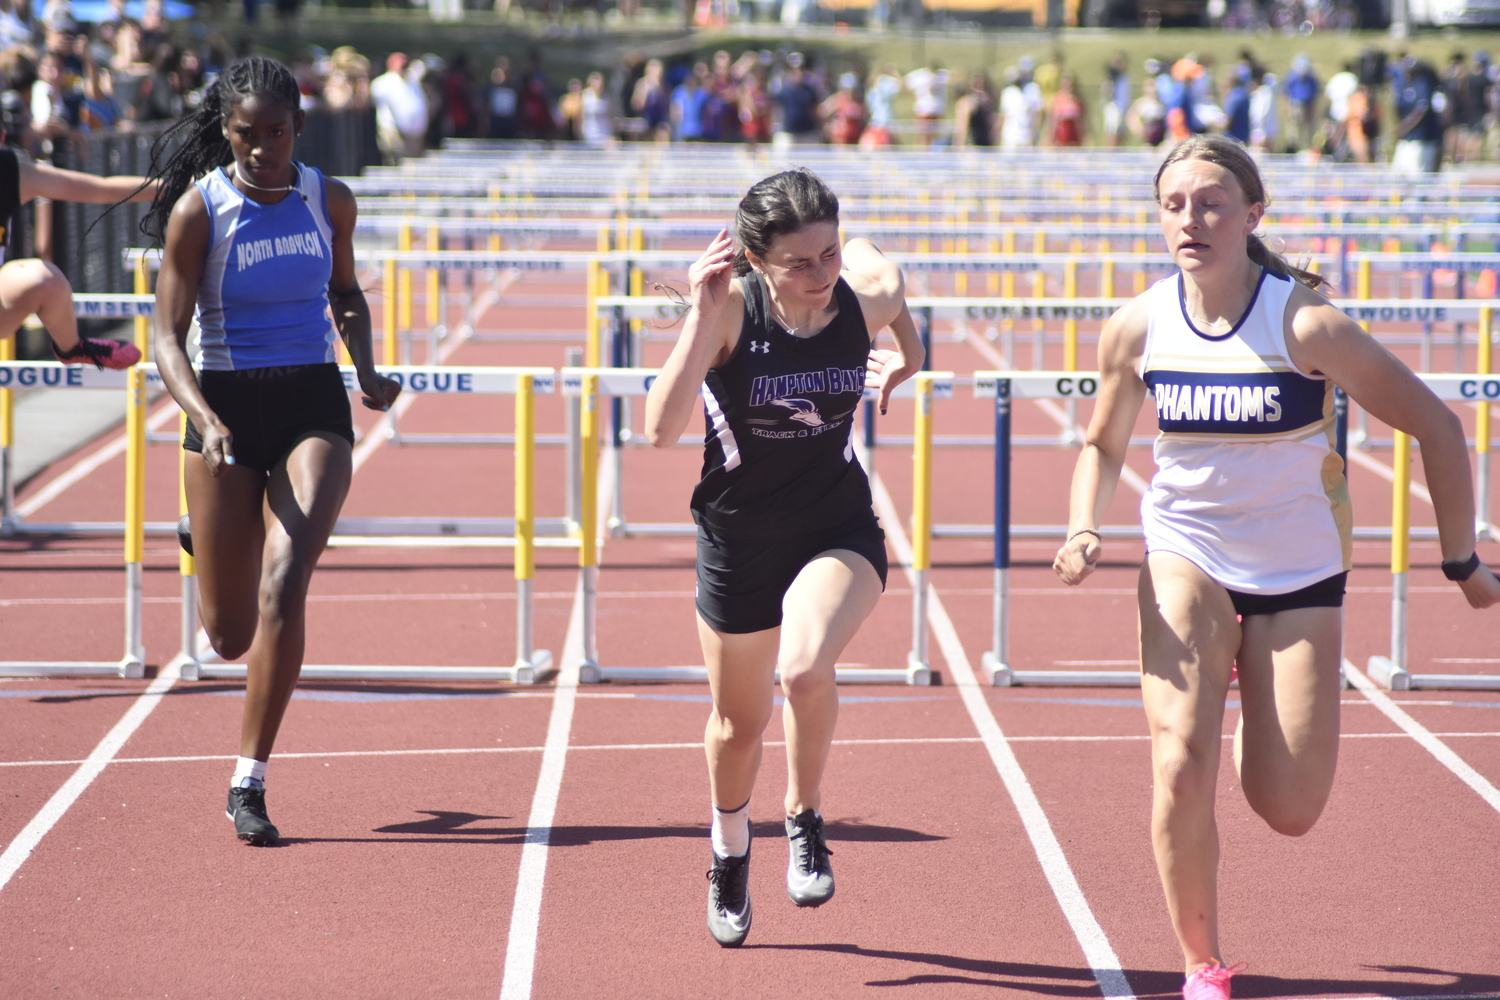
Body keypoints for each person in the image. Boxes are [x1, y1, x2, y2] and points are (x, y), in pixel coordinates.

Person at [1053, 135, 1500, 1000]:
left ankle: (1253, 676)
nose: (1194, 219)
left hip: (1298, 570)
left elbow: (1438, 427)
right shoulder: (1139, 324)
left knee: (1290, 808)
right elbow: (1103, 443)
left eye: (1214, 202)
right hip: (1186, 554)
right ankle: (1200, 965)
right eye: (1177, 204)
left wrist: (1462, 560)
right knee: (1181, 759)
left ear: (1253, 216)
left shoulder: (1304, 324)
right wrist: (1083, 526)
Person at [644, 169, 923, 948]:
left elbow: (895, 296)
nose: (821, 274)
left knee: (804, 667)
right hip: (740, 534)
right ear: (757, 262)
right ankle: (730, 850)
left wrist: (909, 355)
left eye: (830, 252)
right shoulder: (733, 311)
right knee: (740, 723)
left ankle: (804, 815)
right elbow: (659, 429)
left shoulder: (860, 294)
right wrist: (701, 319)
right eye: (800, 263)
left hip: (836, 519)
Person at [144, 56, 401, 846]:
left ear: (300, 126)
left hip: (310, 404)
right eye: (247, 135)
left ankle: (246, 781)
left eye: (277, 133)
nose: (263, 148)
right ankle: (205, 530)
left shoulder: (330, 200)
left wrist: (364, 367)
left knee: (284, 587)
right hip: (221, 404)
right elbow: (164, 336)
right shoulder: (201, 211)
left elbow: (345, 291)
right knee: (227, 636)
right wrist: (203, 418)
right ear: (226, 132)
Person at [0, 129, 156, 367]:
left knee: (45, 279)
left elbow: (101, 189)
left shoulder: (9, 171)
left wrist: (180, 186)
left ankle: (72, 348)